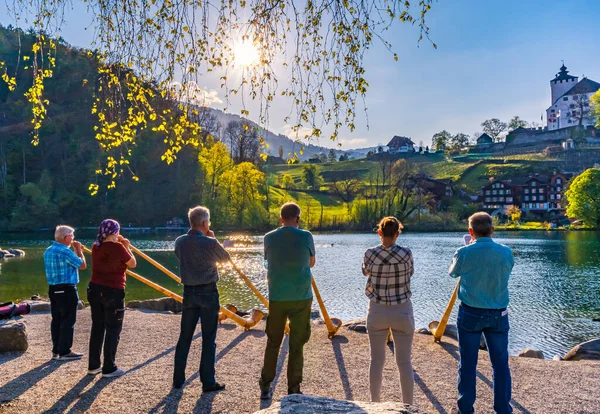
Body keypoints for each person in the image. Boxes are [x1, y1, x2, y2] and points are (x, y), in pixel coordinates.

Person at [449, 212, 514, 414]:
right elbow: (508, 269)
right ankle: (503, 409)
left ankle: (466, 409)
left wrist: (468, 247)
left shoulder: (464, 252)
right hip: (498, 313)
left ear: (471, 231)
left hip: (470, 313)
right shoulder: (506, 252)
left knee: (468, 363)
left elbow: (453, 272)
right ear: (492, 230)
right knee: (500, 364)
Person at [259, 202, 315, 400]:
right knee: (297, 343)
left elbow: (267, 263)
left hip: (277, 297)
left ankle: (265, 385)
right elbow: (311, 262)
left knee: (274, 340)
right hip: (301, 296)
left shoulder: (268, 237)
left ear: (281, 219)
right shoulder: (306, 236)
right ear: (298, 219)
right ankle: (293, 387)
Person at [173, 206, 230, 391]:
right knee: (208, 337)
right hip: (208, 292)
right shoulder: (210, 243)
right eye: (209, 221)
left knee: (185, 337)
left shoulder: (180, 242)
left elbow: (179, 256)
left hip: (189, 292)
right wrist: (213, 238)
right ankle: (208, 381)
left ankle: (178, 380)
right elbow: (225, 259)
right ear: (205, 223)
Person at [362, 217, 414, 404]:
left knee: (376, 360)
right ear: (397, 234)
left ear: (380, 233)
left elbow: (365, 272)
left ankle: (375, 404)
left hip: (377, 310)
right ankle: (408, 405)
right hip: (402, 310)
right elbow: (410, 273)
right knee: (404, 362)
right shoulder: (406, 253)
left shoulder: (370, 253)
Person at [88, 219, 137, 378]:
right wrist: (126, 246)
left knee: (97, 327)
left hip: (95, 290)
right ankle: (109, 367)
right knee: (113, 329)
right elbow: (132, 263)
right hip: (113, 291)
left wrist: (120, 243)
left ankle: (94, 365)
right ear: (115, 232)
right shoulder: (117, 247)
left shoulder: (96, 246)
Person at [44, 225, 87, 361]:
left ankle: (56, 351)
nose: (73, 238)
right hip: (67, 288)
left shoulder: (48, 250)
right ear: (66, 237)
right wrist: (79, 250)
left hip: (53, 288)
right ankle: (65, 351)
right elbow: (82, 265)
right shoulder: (65, 251)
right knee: (69, 319)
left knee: (57, 319)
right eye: (72, 236)